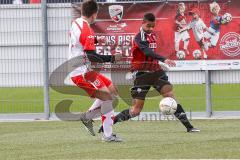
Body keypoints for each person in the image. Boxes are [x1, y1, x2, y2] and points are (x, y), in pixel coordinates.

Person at [98, 13, 200, 134]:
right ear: (143, 23)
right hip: (142, 75)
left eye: (153, 26)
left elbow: (151, 53)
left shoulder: (153, 35)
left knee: (171, 99)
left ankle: (189, 127)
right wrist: (164, 59)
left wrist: (159, 62)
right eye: (148, 26)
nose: (151, 29)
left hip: (157, 73)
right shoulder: (139, 38)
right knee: (136, 111)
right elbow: (147, 51)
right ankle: (109, 123)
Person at [69, 0, 122, 142]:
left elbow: (82, 41)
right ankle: (108, 135)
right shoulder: (86, 28)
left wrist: (96, 40)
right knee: (108, 98)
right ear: (94, 14)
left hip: (85, 69)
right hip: (81, 73)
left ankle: (88, 117)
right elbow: (92, 56)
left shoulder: (77, 22)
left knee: (112, 90)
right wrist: (112, 58)